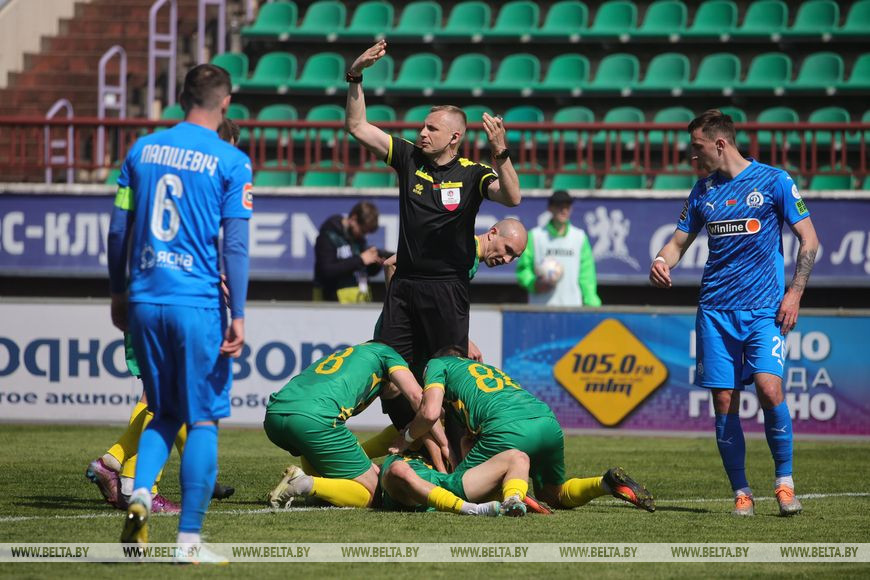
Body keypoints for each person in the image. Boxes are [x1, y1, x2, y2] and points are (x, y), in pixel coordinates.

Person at [107, 64, 252, 562]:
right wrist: (239, 313)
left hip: (145, 298)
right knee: (203, 420)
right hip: (198, 304)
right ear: (225, 102)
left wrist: (118, 293)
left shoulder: (141, 150)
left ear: (183, 96)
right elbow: (235, 245)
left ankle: (140, 497)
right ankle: (188, 542)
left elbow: (118, 231)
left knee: (164, 412)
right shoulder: (231, 160)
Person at [649, 109, 819, 517]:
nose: (693, 156)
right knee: (724, 400)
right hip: (715, 312)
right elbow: (678, 242)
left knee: (769, 389)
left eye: (697, 148)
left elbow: (809, 239)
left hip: (764, 311)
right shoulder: (702, 190)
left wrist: (795, 293)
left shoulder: (775, 181)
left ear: (720, 144)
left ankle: (784, 483)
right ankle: (742, 491)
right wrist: (661, 260)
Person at [345, 39, 522, 429]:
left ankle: (451, 450)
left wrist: (501, 152)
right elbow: (357, 126)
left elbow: (512, 197)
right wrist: (355, 76)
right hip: (406, 286)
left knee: (447, 378)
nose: (422, 133)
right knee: (390, 378)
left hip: (447, 289)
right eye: (423, 126)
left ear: (454, 137)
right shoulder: (408, 157)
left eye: (431, 128)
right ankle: (411, 443)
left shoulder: (473, 174)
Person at [87, 116, 242, 514]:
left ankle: (122, 468)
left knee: (162, 396)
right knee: (164, 399)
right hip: (172, 301)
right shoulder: (201, 179)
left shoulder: (154, 166)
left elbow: (128, 231)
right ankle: (134, 482)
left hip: (146, 295)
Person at [392, 346, 656, 513]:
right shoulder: (485, 370)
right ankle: (605, 483)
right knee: (554, 495)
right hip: (547, 422)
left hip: (506, 429)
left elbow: (429, 413)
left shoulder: (437, 365)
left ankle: (513, 496)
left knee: (458, 491)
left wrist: (406, 438)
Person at [264, 341, 449, 509]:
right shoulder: (386, 353)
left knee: (331, 480)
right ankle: (305, 483)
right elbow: (418, 399)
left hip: (274, 416)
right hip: (313, 421)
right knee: (373, 493)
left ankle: (316, 490)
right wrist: (444, 443)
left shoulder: (346, 357)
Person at [380, 449, 531, 517]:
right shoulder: (396, 443)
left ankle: (512, 501)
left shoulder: (450, 437)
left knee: (518, 457)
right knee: (397, 469)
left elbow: (468, 464)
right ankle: (471, 510)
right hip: (412, 493)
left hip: (448, 482)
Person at [516, 190, 601, 306]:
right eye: (559, 206)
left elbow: (587, 276)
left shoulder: (579, 237)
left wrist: (592, 305)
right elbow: (523, 270)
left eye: (567, 207)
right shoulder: (535, 236)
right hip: (540, 308)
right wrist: (534, 284)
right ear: (550, 208)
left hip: (572, 308)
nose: (564, 210)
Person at [313, 200, 384, 303]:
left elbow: (362, 270)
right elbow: (326, 271)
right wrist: (360, 260)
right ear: (353, 219)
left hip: (359, 302)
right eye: (363, 231)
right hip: (331, 304)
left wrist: (375, 264)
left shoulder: (358, 238)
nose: (364, 235)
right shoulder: (328, 235)